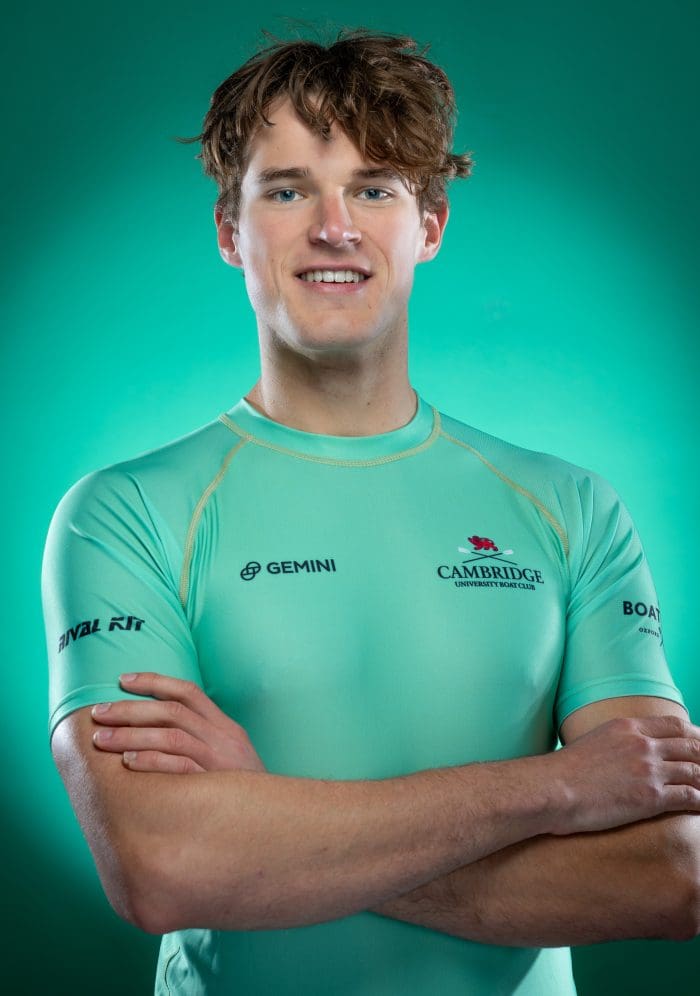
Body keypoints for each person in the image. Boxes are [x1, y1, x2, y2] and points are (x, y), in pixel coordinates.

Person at [43, 29, 699, 996]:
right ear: (229, 231)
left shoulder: (571, 508)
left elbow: (672, 875)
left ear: (430, 225)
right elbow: (161, 868)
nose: (334, 227)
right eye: (286, 191)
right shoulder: (124, 514)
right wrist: (556, 787)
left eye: (376, 188)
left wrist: (266, 823)